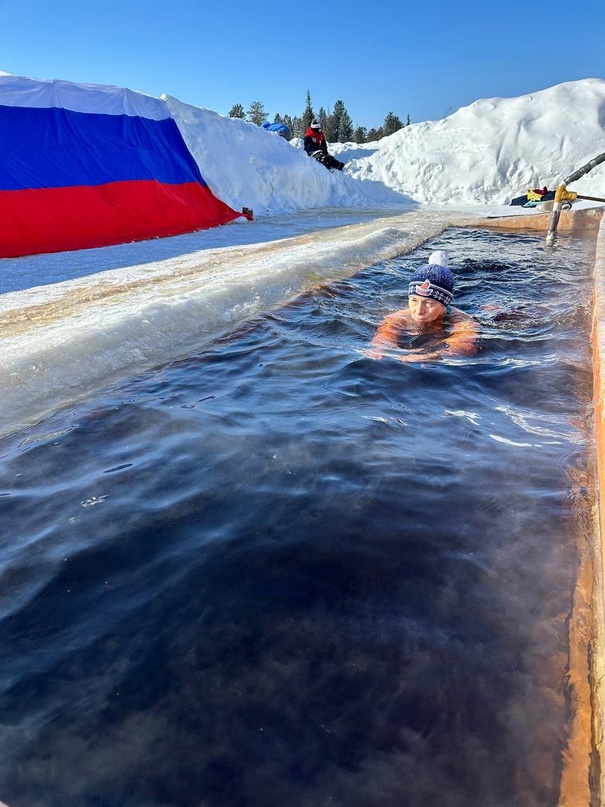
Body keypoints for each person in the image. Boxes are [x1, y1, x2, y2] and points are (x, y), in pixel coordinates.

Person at [368, 251, 478, 362]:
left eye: (428, 303)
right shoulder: (397, 318)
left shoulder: (462, 321)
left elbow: (463, 348)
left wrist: (429, 356)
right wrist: (379, 348)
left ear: (444, 304)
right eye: (414, 300)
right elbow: (384, 337)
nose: (419, 310)